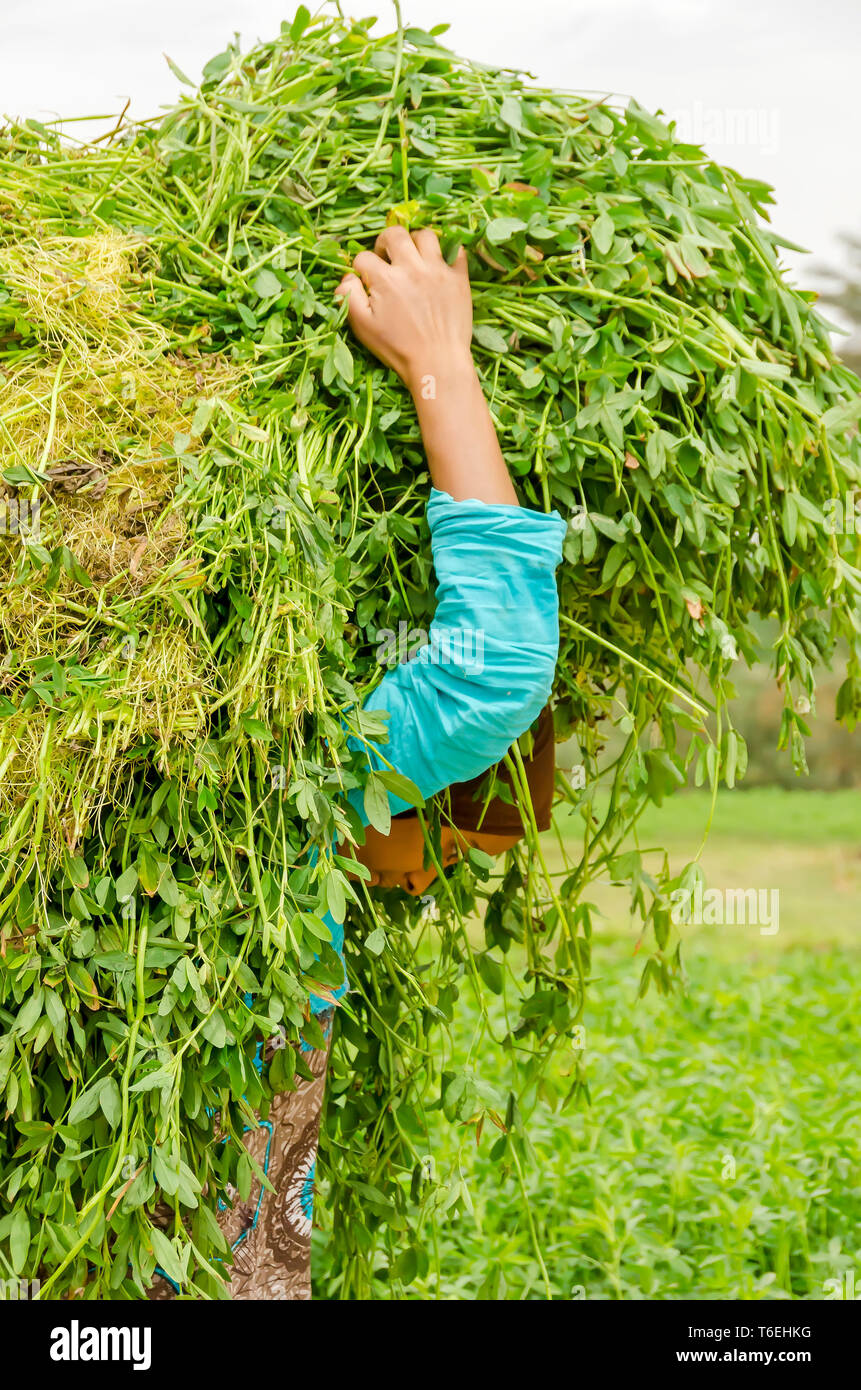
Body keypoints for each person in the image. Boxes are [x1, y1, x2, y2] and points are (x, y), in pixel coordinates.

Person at [147, 225, 566, 1301]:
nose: (423, 880)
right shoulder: (279, 787)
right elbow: (494, 664)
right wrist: (439, 364)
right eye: (443, 839)